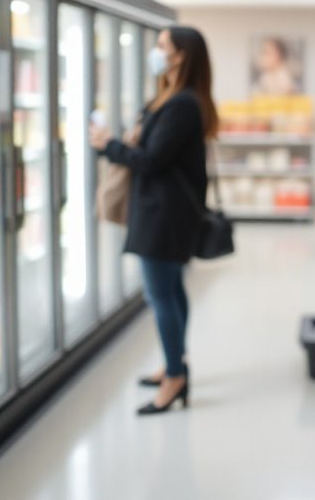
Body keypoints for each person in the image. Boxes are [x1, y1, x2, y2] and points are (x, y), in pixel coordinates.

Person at [89, 26, 218, 415]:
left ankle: (175, 377)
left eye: (162, 47)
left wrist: (108, 146)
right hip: (167, 212)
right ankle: (174, 361)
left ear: (180, 56)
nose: (156, 53)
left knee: (160, 296)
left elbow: (152, 162)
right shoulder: (174, 99)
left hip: (163, 215)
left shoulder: (181, 104)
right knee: (172, 291)